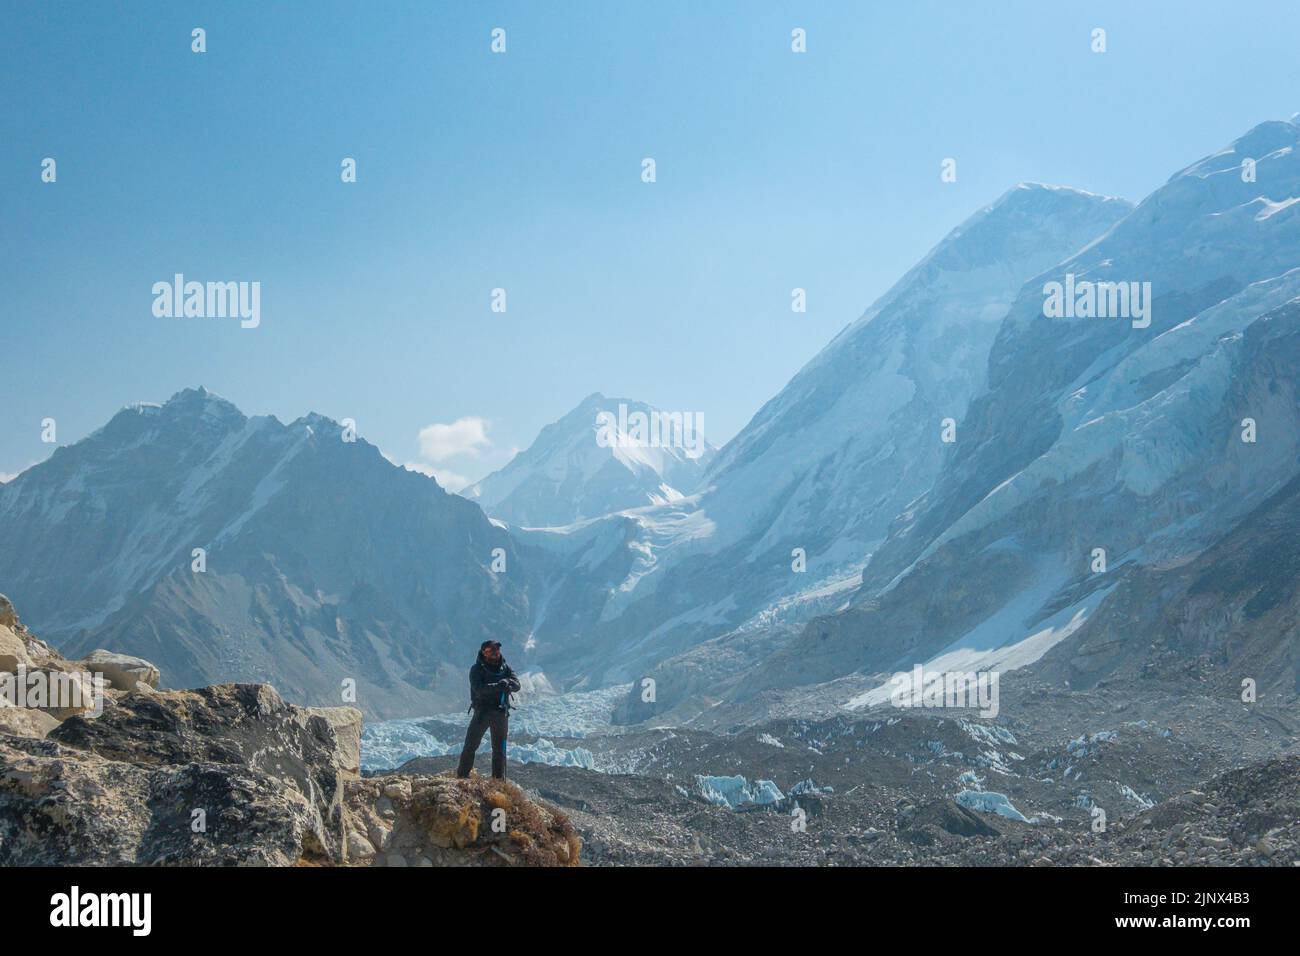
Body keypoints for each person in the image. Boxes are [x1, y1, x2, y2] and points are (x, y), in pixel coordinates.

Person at [455, 640, 521, 779]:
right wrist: (499, 685)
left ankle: (497, 781)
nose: (495, 653)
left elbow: (517, 685)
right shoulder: (476, 669)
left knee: (499, 750)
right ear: (484, 653)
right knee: (471, 745)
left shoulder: (506, 668)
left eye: (497, 649)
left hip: (500, 712)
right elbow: (479, 689)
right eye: (491, 650)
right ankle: (462, 776)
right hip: (482, 713)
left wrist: (508, 682)